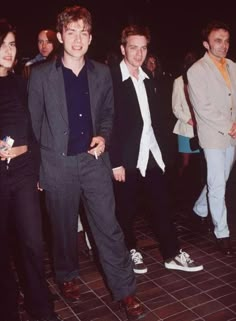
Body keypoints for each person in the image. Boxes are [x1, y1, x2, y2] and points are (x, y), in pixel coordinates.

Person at [28, 6, 145, 320]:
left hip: (94, 163)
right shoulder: (39, 75)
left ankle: (125, 290)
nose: (77, 39)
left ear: (90, 37)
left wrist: (104, 136)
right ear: (61, 35)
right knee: (63, 229)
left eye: (83, 32)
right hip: (57, 165)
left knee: (108, 228)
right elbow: (34, 124)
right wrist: (38, 169)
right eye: (71, 32)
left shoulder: (101, 72)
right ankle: (66, 275)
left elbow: (108, 114)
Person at [109, 24, 203, 275]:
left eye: (143, 48)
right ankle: (129, 250)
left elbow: (156, 122)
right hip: (126, 159)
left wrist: (165, 155)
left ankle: (172, 253)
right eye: (133, 48)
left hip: (152, 156)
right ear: (122, 49)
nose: (139, 54)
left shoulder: (150, 80)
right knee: (124, 211)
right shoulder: (111, 81)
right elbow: (106, 124)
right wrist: (115, 161)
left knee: (162, 207)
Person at [0, 19, 61, 321]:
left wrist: (37, 169)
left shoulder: (23, 83)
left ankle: (41, 307)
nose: (8, 51)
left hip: (23, 171)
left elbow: (38, 129)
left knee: (33, 242)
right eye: (2, 44)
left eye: (11, 44)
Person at [187, 21, 236, 256]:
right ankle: (222, 233)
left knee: (219, 179)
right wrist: (230, 126)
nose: (223, 45)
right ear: (206, 43)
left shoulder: (233, 67)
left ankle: (199, 209)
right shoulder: (196, 70)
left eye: (226, 40)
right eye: (218, 40)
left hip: (231, 134)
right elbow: (203, 108)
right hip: (213, 135)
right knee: (217, 184)